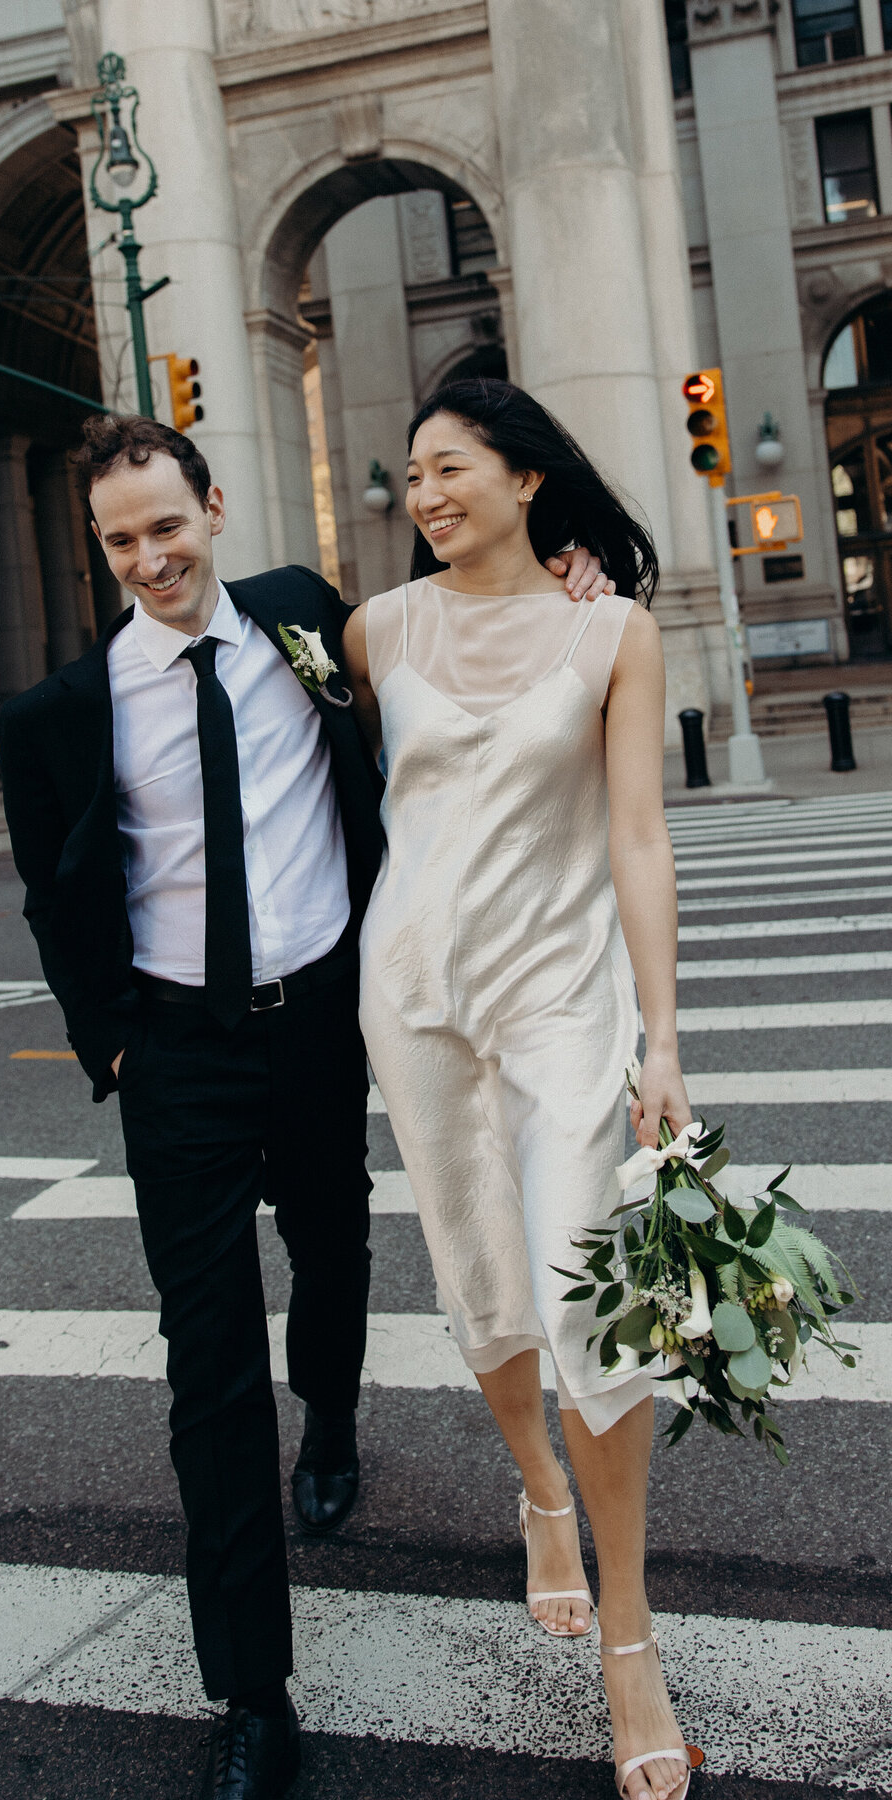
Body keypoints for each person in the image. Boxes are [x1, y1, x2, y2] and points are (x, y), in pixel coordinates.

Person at [0, 412, 609, 1800]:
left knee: (334, 1251)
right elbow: (54, 894)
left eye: (169, 525)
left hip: (326, 1021)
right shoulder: (56, 719)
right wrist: (110, 1049)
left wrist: (565, 569)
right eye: (122, 540)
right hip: (181, 1056)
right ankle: (254, 1691)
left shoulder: (305, 623)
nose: (152, 558)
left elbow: (459, 618)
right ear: (103, 551)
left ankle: (329, 1421)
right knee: (207, 1359)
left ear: (214, 507)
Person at [345, 378, 702, 1800]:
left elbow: (638, 838)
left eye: (448, 468)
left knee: (590, 1303)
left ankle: (631, 1635)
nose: (424, 494)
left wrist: (662, 1039)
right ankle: (539, 1496)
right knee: (479, 1272)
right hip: (416, 996)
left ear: (527, 479)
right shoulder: (374, 632)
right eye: (411, 477)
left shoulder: (611, 630)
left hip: (563, 1003)